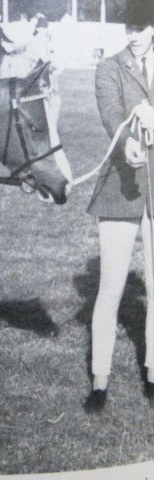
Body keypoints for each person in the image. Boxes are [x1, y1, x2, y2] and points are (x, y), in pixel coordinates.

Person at [84, 0, 154, 412]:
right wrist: (127, 139)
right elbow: (112, 115)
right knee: (110, 289)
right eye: (129, 26)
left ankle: (152, 375)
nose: (135, 34)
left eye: (143, 27)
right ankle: (99, 382)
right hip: (121, 190)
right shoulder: (109, 68)